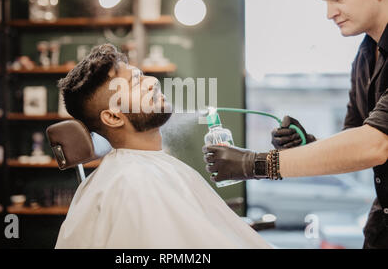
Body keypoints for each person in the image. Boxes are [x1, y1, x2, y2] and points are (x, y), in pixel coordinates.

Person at [203, 0, 388, 249]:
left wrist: (254, 164)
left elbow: (375, 145)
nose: (329, 13)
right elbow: (354, 145)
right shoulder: (365, 57)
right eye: (325, 0)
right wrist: (308, 146)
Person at [54, 43, 270, 249]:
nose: (152, 82)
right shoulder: (133, 183)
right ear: (112, 116)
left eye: (140, 75)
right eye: (134, 84)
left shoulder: (140, 170)